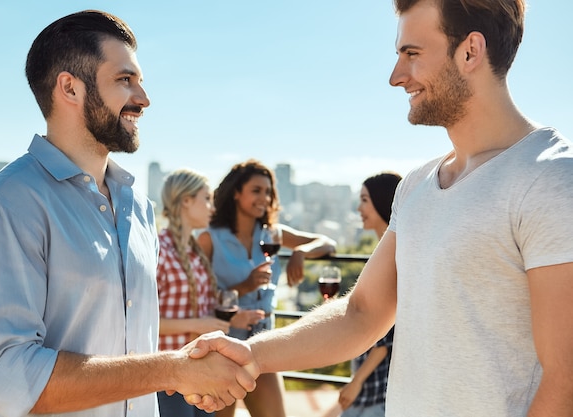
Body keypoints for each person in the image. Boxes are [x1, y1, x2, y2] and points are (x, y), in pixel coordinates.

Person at [188, 1, 573, 416]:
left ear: (470, 51)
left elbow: (565, 379)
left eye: (411, 54)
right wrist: (251, 353)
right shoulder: (417, 185)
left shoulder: (549, 180)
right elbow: (361, 313)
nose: (396, 77)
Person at [0, 10, 255, 417]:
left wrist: (188, 371)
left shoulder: (139, 210)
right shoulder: (2, 208)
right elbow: (12, 381)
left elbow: (133, 351)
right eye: (125, 80)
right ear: (70, 88)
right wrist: (172, 370)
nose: (143, 98)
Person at [197, 159, 337, 417]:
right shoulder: (210, 238)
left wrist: (300, 251)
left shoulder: (273, 234)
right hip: (221, 347)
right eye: (256, 190)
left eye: (268, 191)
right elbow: (198, 300)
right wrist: (244, 286)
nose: (265, 198)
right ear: (236, 193)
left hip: (264, 347)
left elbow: (327, 242)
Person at [156, 168, 265, 417]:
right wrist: (200, 323)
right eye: (206, 199)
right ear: (186, 201)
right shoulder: (158, 249)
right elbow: (143, 320)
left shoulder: (195, 253)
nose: (212, 208)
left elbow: (201, 305)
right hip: (169, 376)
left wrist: (233, 318)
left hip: (200, 372)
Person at [338, 172, 402, 417]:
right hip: (372, 386)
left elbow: (387, 338)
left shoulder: (394, 256)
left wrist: (356, 382)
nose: (358, 208)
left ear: (382, 201)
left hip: (377, 388)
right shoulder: (384, 253)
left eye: (365, 200)